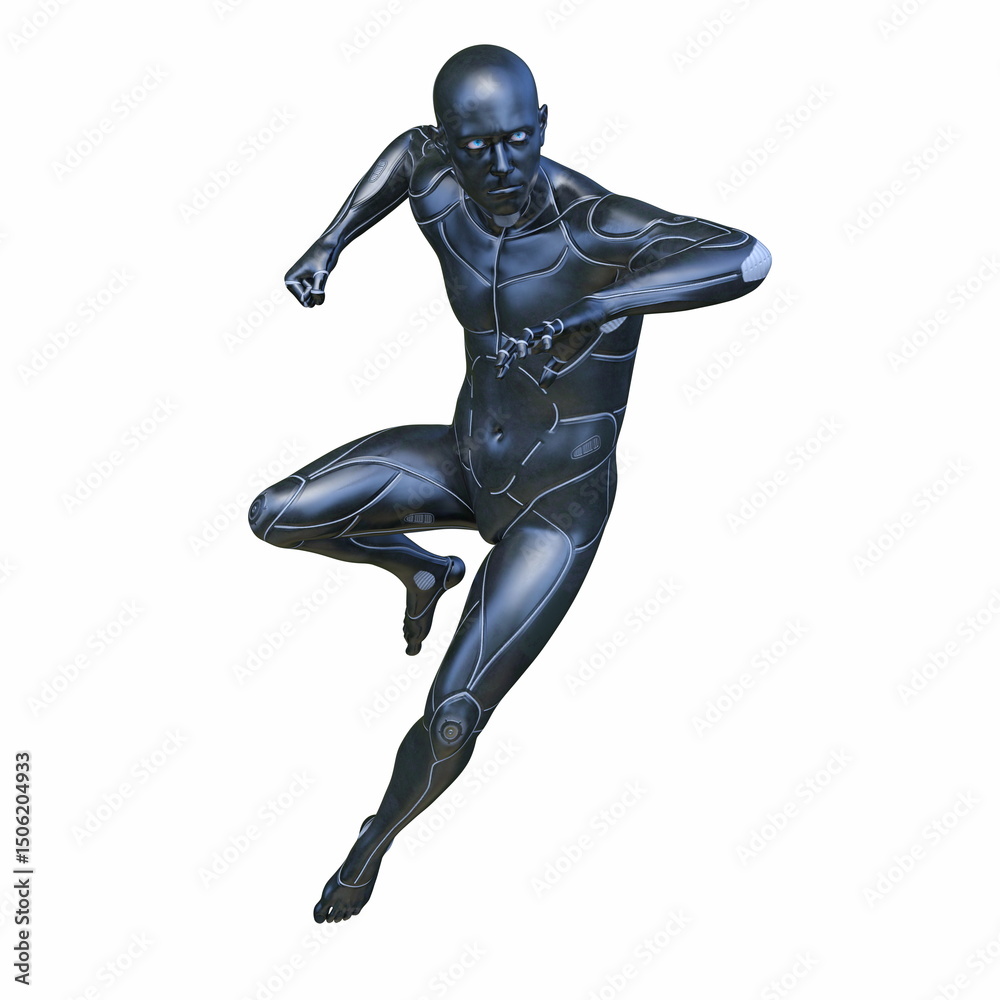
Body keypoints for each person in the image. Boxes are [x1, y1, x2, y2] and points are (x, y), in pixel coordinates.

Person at [249, 43, 770, 922]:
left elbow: (747, 257)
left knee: (453, 713)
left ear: (544, 126)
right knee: (276, 515)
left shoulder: (597, 227)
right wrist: (327, 244)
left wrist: (607, 301)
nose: (498, 165)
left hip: (554, 509)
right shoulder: (437, 177)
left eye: (518, 139)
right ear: (451, 143)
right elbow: (406, 152)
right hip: (466, 461)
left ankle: (372, 844)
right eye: (475, 146)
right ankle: (420, 569)